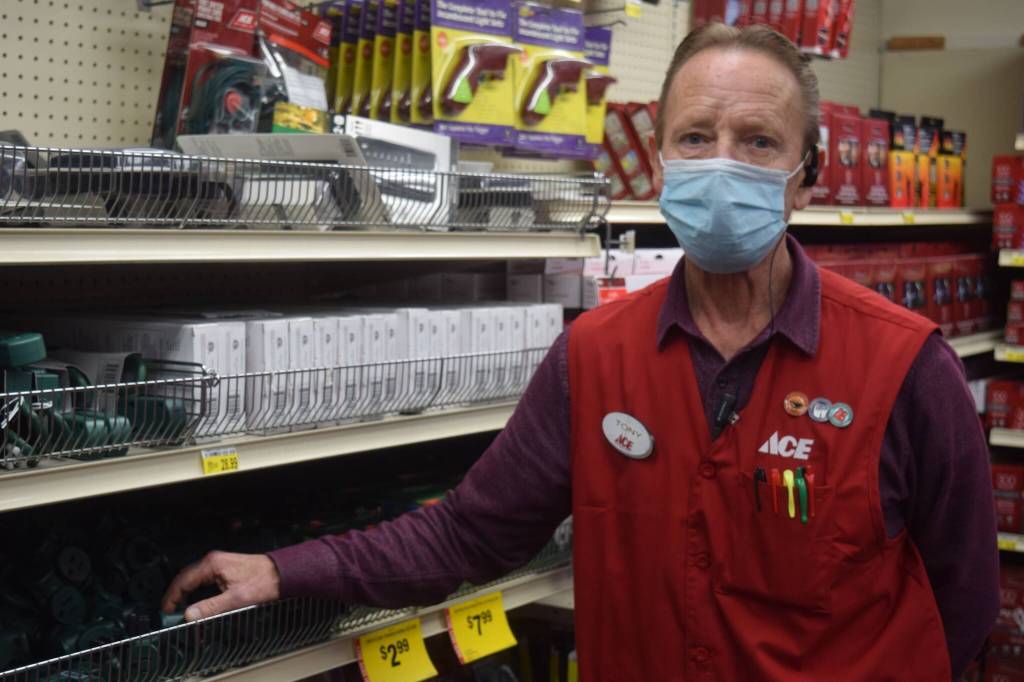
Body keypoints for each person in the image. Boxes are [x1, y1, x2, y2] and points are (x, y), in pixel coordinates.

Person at [163, 23, 999, 680]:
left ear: (807, 177)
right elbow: (469, 535)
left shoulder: (905, 366)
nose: (720, 166)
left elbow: (961, 604)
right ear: (661, 163)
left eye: (758, 143)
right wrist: (285, 570)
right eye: (696, 137)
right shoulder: (596, 355)